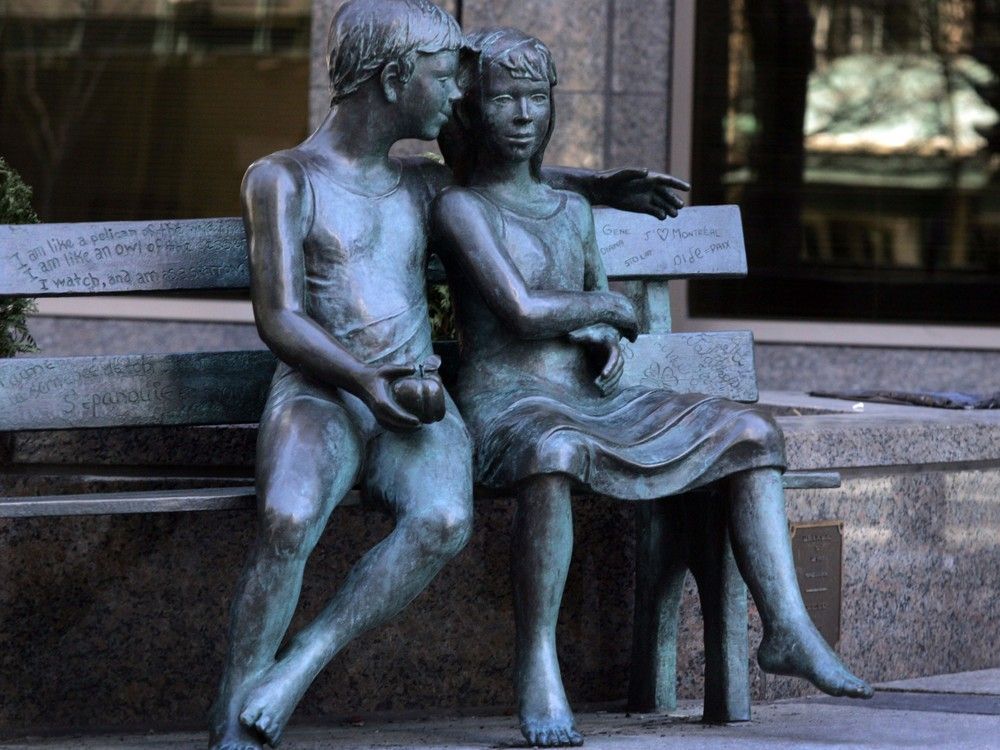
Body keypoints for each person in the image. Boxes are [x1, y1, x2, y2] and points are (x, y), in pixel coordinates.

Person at [210, 3, 688, 748]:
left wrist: (599, 185)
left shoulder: (423, 185)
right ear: (394, 78)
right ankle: (230, 723)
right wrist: (365, 383)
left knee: (442, 521)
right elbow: (281, 319)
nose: (456, 97)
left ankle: (301, 662)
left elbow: (511, 178)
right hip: (321, 392)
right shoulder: (283, 178)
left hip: (416, 399)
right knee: (288, 519)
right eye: (442, 79)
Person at [433, 28, 874, 749]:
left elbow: (597, 305)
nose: (521, 115)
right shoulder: (461, 210)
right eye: (503, 99)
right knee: (555, 450)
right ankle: (538, 661)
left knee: (754, 432)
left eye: (536, 99)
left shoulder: (570, 212)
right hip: (509, 404)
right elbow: (520, 309)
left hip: (589, 398)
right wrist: (607, 313)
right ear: (471, 111)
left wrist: (605, 335)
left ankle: (787, 627)